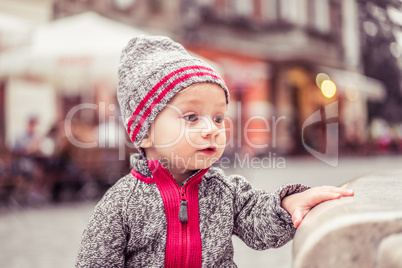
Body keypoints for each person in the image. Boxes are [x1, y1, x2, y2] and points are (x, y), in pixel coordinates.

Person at [76, 35, 353, 267]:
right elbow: (94, 261)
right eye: (192, 117)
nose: (212, 129)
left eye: (218, 118)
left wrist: (289, 204)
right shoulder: (122, 204)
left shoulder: (225, 191)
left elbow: (259, 221)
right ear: (145, 132)